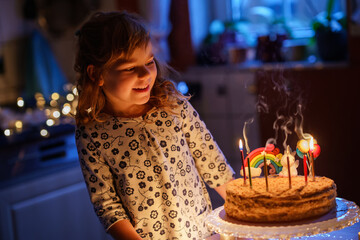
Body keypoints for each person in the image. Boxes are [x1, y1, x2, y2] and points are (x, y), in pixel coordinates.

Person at [74, 11, 235, 240]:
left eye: (149, 62)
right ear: (97, 74)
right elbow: (108, 206)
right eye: (130, 68)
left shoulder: (173, 105)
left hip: (202, 234)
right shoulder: (92, 132)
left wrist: (247, 217)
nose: (145, 74)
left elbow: (213, 164)